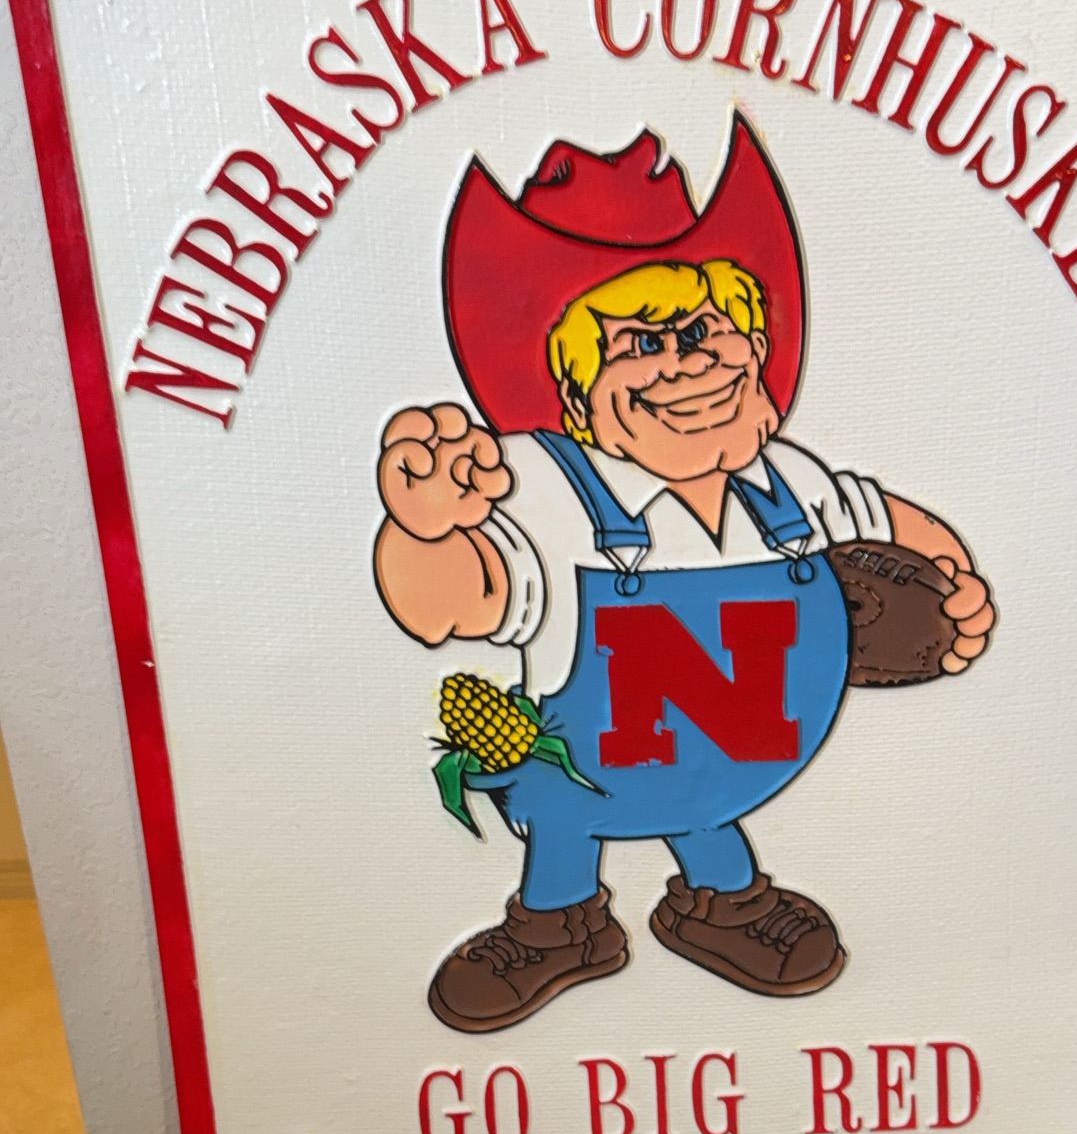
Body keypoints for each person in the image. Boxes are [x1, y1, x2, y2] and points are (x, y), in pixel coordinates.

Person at [374, 124, 994, 1032]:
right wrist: (424, 527)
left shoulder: (788, 484)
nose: (686, 362)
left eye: (704, 330)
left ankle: (724, 903)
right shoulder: (543, 490)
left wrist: (953, 583)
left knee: (705, 799)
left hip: (735, 761)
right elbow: (457, 603)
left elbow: (884, 521)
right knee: (564, 809)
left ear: (755, 346)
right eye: (638, 345)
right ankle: (558, 925)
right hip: (587, 768)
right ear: (577, 392)